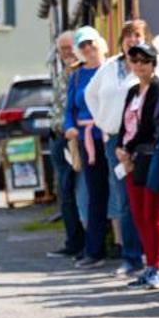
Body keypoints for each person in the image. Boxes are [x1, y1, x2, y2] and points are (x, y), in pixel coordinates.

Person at [87, 19, 150, 276]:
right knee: (124, 200)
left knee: (152, 197)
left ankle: (158, 256)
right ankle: (132, 257)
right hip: (116, 140)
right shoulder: (110, 67)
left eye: (137, 35)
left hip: (145, 140)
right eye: (128, 35)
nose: (132, 40)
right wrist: (103, 122)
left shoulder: (154, 64)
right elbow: (90, 94)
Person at [118, 41, 159, 289]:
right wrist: (120, 146)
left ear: (153, 64)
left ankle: (156, 267)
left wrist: (127, 149)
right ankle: (147, 265)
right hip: (131, 159)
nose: (139, 65)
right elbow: (123, 124)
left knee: (153, 214)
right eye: (135, 60)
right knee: (138, 214)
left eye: (145, 61)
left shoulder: (158, 89)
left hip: (149, 157)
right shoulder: (132, 91)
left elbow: (149, 127)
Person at [65, 26, 112, 265]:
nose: (88, 49)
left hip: (110, 136)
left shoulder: (112, 69)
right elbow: (69, 110)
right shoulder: (76, 75)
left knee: (123, 195)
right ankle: (94, 250)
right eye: (82, 45)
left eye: (90, 43)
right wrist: (69, 127)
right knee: (94, 195)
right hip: (87, 139)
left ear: (99, 43)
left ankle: (133, 251)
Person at [46, 30, 86, 261]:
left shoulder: (81, 73)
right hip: (58, 138)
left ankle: (80, 243)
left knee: (75, 191)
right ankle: (72, 241)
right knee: (65, 190)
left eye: (70, 47)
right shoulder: (64, 74)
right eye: (62, 49)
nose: (67, 53)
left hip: (74, 139)